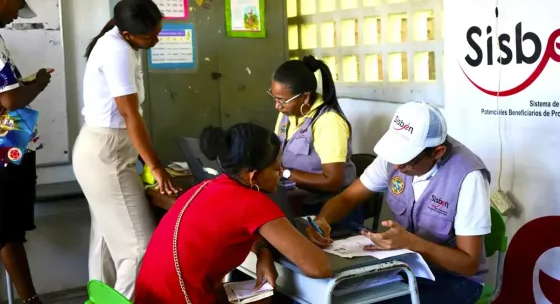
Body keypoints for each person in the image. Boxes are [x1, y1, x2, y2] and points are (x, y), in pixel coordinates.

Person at [306, 101, 491, 304]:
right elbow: (348, 197)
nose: (396, 165)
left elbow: (468, 264)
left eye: (406, 159)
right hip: (408, 267)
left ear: (437, 152)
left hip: (454, 279)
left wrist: (413, 244)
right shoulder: (394, 159)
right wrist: (323, 220)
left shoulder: (468, 176)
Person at [135, 123, 332, 304]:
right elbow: (319, 268)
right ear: (253, 176)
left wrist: (264, 253)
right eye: (276, 168)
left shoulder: (206, 186)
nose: (282, 172)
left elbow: (239, 228)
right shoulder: (253, 203)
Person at [72, 0, 178, 299]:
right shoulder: (117, 51)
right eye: (149, 36)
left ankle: (100, 299)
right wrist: (156, 166)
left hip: (102, 151)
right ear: (128, 33)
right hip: (107, 156)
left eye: (158, 31)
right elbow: (130, 115)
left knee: (105, 242)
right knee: (140, 248)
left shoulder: (117, 42)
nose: (155, 39)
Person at [0, 0, 52, 303]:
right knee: (8, 230)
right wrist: (40, 83)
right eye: (17, 7)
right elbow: (10, 100)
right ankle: (31, 300)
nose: (17, 16)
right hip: (7, 145)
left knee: (8, 230)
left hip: (13, 140)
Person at [270, 56, 363, 229]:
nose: (277, 106)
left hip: (331, 210)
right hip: (298, 200)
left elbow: (333, 181)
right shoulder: (287, 114)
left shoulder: (328, 122)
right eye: (274, 97)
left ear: (305, 98)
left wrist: (285, 173)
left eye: (282, 100)